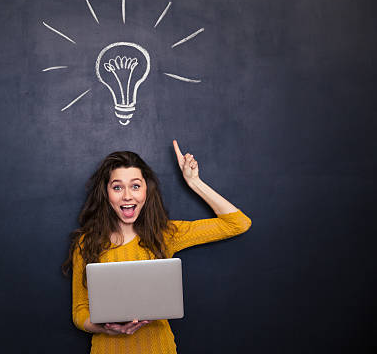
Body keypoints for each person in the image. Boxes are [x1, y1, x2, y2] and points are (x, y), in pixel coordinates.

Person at [61, 140, 251, 354]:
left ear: (146, 191)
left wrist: (194, 182)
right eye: (117, 187)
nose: (127, 196)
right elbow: (79, 311)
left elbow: (238, 223)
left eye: (135, 186)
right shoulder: (86, 243)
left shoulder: (165, 235)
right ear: (106, 193)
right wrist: (106, 329)